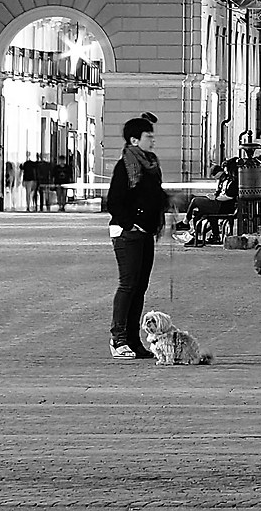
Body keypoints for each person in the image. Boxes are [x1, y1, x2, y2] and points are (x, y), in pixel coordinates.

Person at [103, 113, 166, 361]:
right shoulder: (126, 165)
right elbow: (115, 202)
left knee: (140, 287)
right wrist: (133, 225)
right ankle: (118, 338)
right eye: (148, 137)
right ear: (133, 139)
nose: (153, 141)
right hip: (128, 233)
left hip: (146, 232)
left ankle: (133, 339)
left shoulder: (150, 163)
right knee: (128, 285)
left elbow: (152, 195)